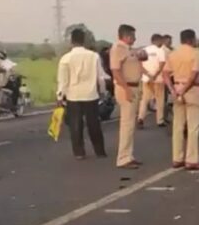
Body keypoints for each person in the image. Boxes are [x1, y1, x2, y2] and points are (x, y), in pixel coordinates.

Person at [57, 28, 107, 160]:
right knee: (94, 123)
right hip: (91, 94)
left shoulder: (65, 58)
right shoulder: (94, 56)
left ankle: (79, 152)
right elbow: (100, 77)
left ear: (71, 41)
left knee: (75, 124)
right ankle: (100, 151)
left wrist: (60, 96)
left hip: (73, 95)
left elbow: (63, 80)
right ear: (84, 40)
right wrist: (102, 91)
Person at [164, 29, 199, 171]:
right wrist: (185, 88)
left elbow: (165, 73)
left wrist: (172, 89)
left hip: (176, 89)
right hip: (192, 90)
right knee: (193, 127)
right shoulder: (196, 53)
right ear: (191, 39)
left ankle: (177, 158)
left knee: (178, 126)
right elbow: (194, 74)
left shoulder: (173, 54)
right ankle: (191, 160)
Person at [109, 24, 145, 169]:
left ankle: (128, 155)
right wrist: (126, 89)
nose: (135, 38)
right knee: (127, 124)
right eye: (133, 36)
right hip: (126, 87)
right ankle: (123, 158)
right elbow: (116, 71)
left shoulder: (128, 50)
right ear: (127, 36)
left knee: (130, 124)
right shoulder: (118, 48)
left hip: (133, 86)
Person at [137, 33, 167, 128]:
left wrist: (148, 74)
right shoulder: (160, 51)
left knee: (145, 99)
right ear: (158, 41)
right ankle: (160, 120)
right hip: (157, 79)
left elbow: (140, 65)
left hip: (146, 79)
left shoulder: (144, 50)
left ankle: (140, 118)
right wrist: (155, 75)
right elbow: (162, 64)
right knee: (159, 100)